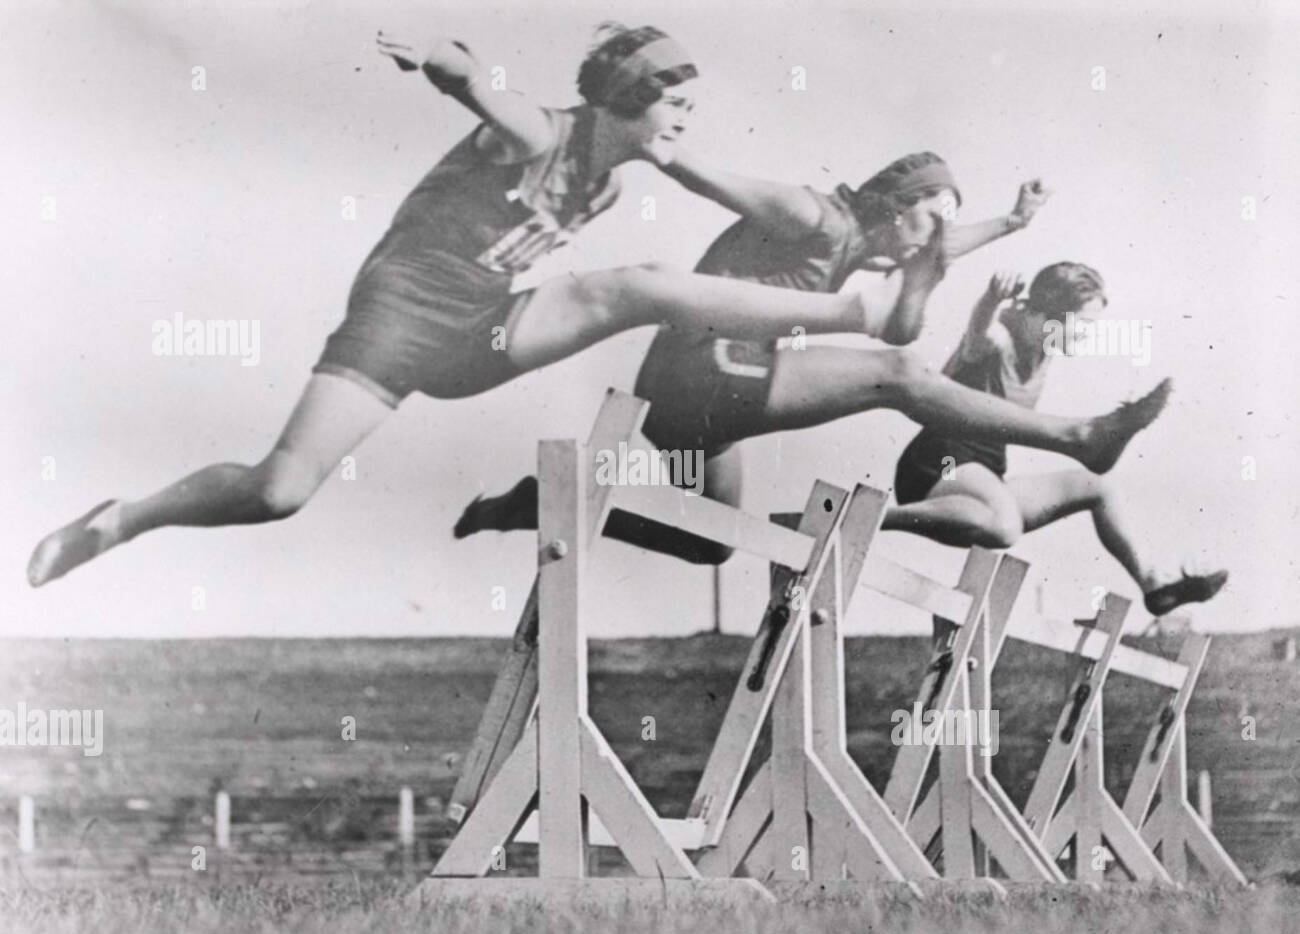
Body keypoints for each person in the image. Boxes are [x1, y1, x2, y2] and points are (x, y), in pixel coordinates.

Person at [27, 24, 926, 588]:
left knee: (634, 289)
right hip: (397, 321)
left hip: (486, 326)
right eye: (677, 106)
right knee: (279, 490)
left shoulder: (607, 190)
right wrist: (445, 63)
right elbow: (479, 88)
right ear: (631, 101)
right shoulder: (542, 133)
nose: (687, 122)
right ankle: (122, 518)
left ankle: (849, 318)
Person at [455, 153, 1171, 564]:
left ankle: (541, 505)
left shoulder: (870, 240)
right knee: (899, 375)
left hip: (695, 409)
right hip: (703, 370)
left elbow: (935, 249)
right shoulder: (816, 215)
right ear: (895, 206)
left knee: (712, 544)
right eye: (931, 221)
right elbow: (718, 184)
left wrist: (1012, 224)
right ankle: (1082, 437)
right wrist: (660, 148)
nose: (933, 246)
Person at [883, 263, 1226, 615]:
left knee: (1098, 486)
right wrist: (989, 300)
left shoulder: (1044, 352)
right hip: (939, 463)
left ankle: (1154, 583)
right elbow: (977, 335)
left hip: (984, 472)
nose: (1087, 335)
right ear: (1052, 315)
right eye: (1084, 324)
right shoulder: (1002, 338)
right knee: (1004, 525)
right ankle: (878, 515)